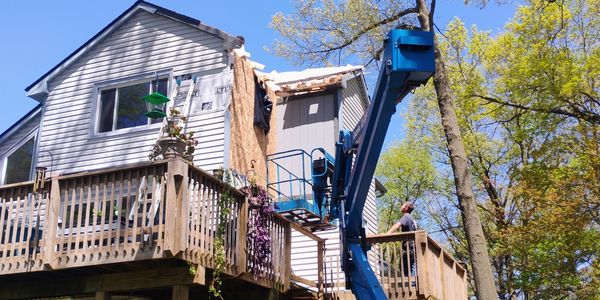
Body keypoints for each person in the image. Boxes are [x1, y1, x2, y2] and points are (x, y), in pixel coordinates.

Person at [386, 202, 417, 277]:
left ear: (406, 208)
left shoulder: (406, 216)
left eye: (402, 205)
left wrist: (387, 234)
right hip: (413, 247)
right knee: (412, 267)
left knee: (405, 267)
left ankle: (411, 285)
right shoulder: (412, 219)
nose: (401, 206)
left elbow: (397, 225)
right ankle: (414, 284)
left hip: (408, 247)